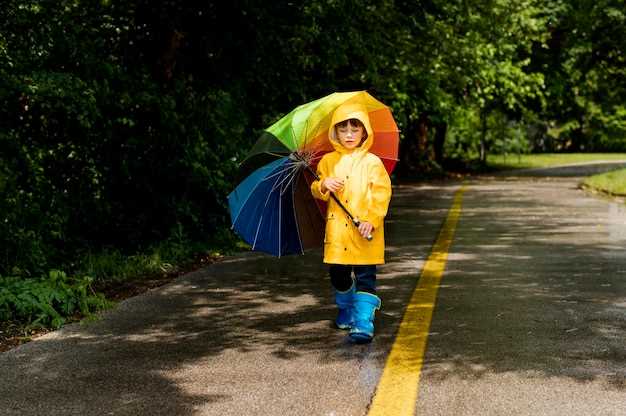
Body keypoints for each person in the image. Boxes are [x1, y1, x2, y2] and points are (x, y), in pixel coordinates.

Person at [310, 102, 392, 343]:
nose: (348, 135)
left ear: (364, 131)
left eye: (354, 129)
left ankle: (363, 321)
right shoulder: (327, 161)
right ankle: (346, 308)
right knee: (339, 275)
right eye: (343, 129)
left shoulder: (372, 162)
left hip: (366, 231)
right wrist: (323, 185)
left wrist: (372, 219)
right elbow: (316, 187)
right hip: (338, 233)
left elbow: (382, 193)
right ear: (334, 132)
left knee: (366, 276)